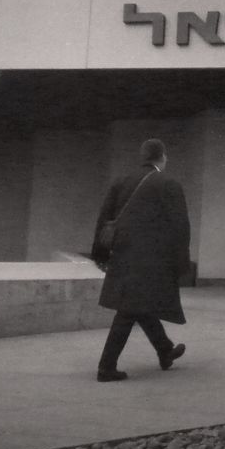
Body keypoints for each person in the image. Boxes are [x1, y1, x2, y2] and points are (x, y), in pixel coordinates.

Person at [90, 138, 191, 382]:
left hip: (123, 257)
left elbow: (104, 219)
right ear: (162, 157)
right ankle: (106, 367)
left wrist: (100, 254)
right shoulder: (169, 184)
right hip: (153, 261)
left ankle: (165, 349)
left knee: (138, 304)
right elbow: (180, 227)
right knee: (129, 310)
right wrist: (182, 263)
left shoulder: (121, 182)